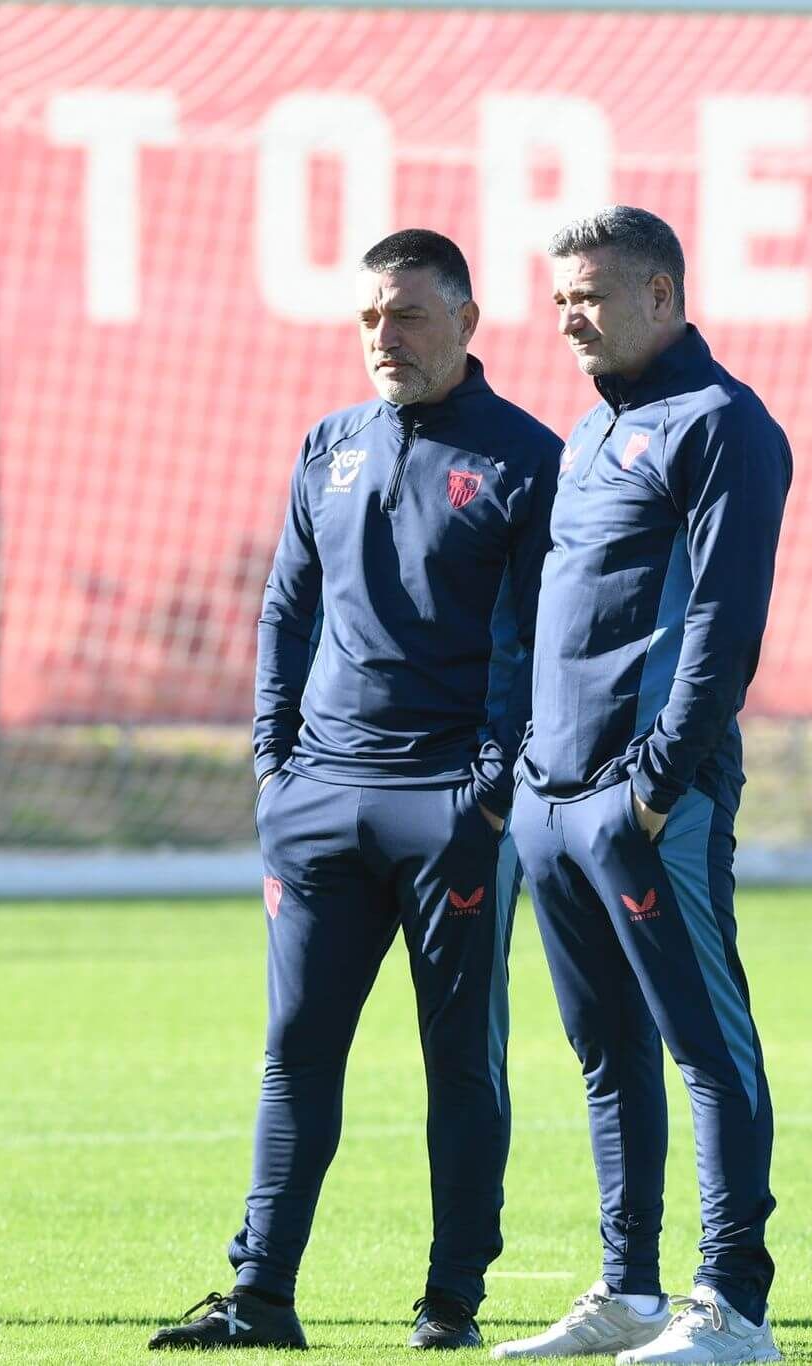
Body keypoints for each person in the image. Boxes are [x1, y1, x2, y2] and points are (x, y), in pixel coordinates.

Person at [149, 230, 560, 1353]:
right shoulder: (326, 445)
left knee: (459, 1058)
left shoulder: (528, 459)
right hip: (318, 802)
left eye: (410, 314)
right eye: (371, 316)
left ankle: (451, 1300)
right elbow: (286, 609)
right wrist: (272, 765)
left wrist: (488, 791)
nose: (386, 336)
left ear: (466, 323)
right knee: (294, 1050)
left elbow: (540, 644)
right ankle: (260, 1296)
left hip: (451, 806)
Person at [492, 207, 791, 1365]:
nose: (569, 317)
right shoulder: (588, 431)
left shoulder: (721, 424)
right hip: (553, 799)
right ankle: (628, 1291)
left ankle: (732, 1307)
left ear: (660, 294)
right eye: (559, 298)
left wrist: (655, 785)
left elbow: (721, 626)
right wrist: (532, 774)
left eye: (591, 295)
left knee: (705, 1047)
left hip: (648, 804)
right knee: (605, 1054)